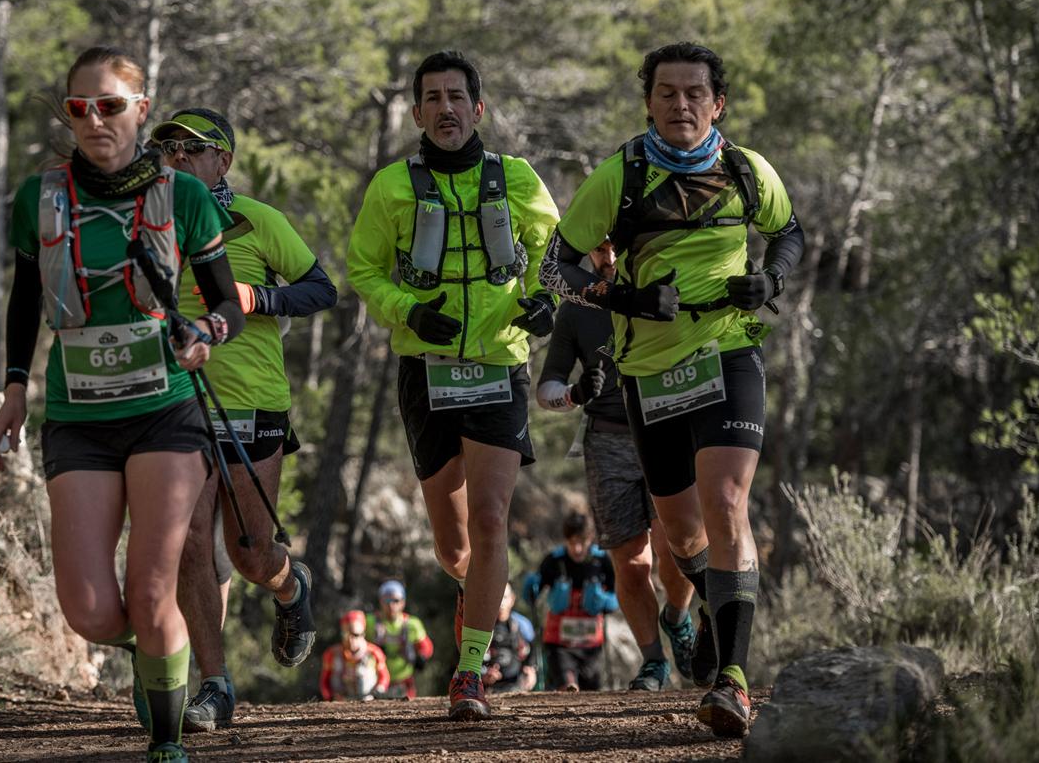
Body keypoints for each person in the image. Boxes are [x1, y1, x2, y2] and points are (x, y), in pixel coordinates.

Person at [0, 46, 247, 763]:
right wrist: (15, 389)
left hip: (167, 410)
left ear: (140, 108)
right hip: (78, 415)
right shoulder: (39, 199)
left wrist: (208, 333)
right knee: (91, 610)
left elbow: (227, 301)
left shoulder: (183, 197)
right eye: (80, 107)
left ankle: (166, 743)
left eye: (110, 105)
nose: (94, 119)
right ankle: (150, 652)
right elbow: (24, 297)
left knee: (154, 583)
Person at [539, 42, 805, 737]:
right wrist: (622, 297)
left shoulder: (746, 170)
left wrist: (770, 280)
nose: (680, 104)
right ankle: (715, 619)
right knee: (682, 534)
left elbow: (790, 233)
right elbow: (553, 269)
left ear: (717, 104)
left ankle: (732, 681)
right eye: (666, 93)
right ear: (649, 101)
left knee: (726, 503)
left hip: (729, 355)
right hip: (649, 373)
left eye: (695, 93)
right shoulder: (620, 176)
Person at [346, 49, 560, 720]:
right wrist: (408, 310)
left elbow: (555, 253)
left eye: (456, 97)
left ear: (478, 108)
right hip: (426, 370)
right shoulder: (391, 188)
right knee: (453, 544)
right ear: (417, 112)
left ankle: (471, 671)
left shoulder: (517, 178)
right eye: (432, 98)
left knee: (493, 518)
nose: (445, 108)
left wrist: (542, 301)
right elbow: (364, 270)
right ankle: (480, 597)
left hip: (499, 362)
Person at [149, 107, 336, 733]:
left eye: (191, 149)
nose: (176, 158)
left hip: (254, 400)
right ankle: (213, 684)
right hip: (176, 403)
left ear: (222, 161)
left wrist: (261, 299)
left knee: (250, 553)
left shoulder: (258, 221)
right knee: (189, 542)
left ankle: (290, 588)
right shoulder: (150, 225)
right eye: (167, 149)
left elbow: (323, 288)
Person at [535, 239, 699, 691]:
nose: (609, 258)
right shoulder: (576, 309)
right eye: (601, 250)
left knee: (678, 550)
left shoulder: (668, 294)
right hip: (607, 442)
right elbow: (546, 390)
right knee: (631, 564)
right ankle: (653, 662)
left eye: (615, 248)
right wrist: (575, 394)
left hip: (666, 429)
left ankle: (678, 616)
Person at [522, 512, 618, 692]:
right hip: (559, 642)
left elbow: (615, 595)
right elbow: (534, 592)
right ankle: (568, 688)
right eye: (572, 542)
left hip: (591, 643)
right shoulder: (554, 561)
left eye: (582, 542)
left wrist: (607, 602)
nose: (577, 549)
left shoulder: (602, 560)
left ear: (590, 538)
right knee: (567, 683)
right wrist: (531, 589)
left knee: (592, 689)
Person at [365, 579, 434, 699]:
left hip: (404, 682)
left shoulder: (412, 624)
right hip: (376, 682)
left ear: (403, 602)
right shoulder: (369, 622)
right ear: (380, 601)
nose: (391, 605)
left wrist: (422, 656)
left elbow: (426, 646)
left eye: (396, 600)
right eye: (387, 600)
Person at [320, 610, 390, 701]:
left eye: (356, 635)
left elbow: (384, 676)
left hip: (368, 701)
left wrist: (379, 690)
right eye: (346, 634)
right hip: (340, 704)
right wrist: (330, 697)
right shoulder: (332, 654)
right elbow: (324, 681)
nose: (351, 640)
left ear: (363, 633)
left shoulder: (374, 653)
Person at [482, 583, 536, 693]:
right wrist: (483, 675)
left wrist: (531, 671)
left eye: (505, 597)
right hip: (486, 689)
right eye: (496, 597)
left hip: (516, 686)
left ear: (512, 599)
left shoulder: (523, 625)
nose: (501, 603)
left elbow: (532, 654)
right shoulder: (482, 626)